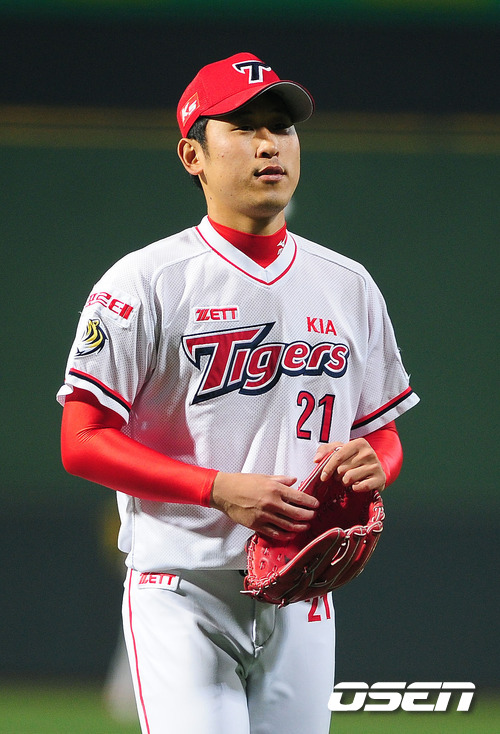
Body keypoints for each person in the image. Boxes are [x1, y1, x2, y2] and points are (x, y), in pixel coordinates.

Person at [58, 52, 419, 734]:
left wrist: (380, 464)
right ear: (192, 155)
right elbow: (81, 441)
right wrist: (216, 488)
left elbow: (383, 437)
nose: (268, 143)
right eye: (244, 127)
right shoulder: (145, 282)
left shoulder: (349, 285)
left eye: (281, 127)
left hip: (304, 592)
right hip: (183, 588)